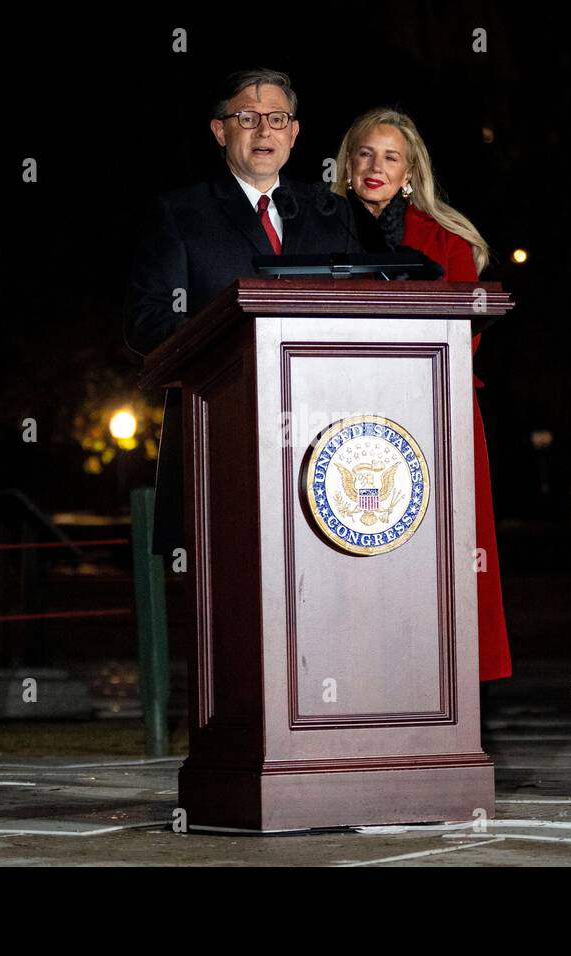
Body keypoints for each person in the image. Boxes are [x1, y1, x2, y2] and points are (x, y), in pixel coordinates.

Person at [123, 69, 360, 556]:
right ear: (219, 131)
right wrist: (234, 339)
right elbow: (145, 321)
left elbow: (359, 305)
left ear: (294, 133)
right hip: (222, 437)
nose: (264, 130)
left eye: (277, 118)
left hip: (323, 438)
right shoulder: (181, 213)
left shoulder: (329, 211)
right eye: (247, 118)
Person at [330, 107, 511, 682]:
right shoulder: (313, 226)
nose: (375, 166)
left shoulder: (447, 240)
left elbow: (465, 334)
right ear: (347, 164)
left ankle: (439, 684)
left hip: (431, 421)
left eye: (390, 156)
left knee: (436, 563)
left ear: (410, 172)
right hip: (334, 420)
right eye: (364, 153)